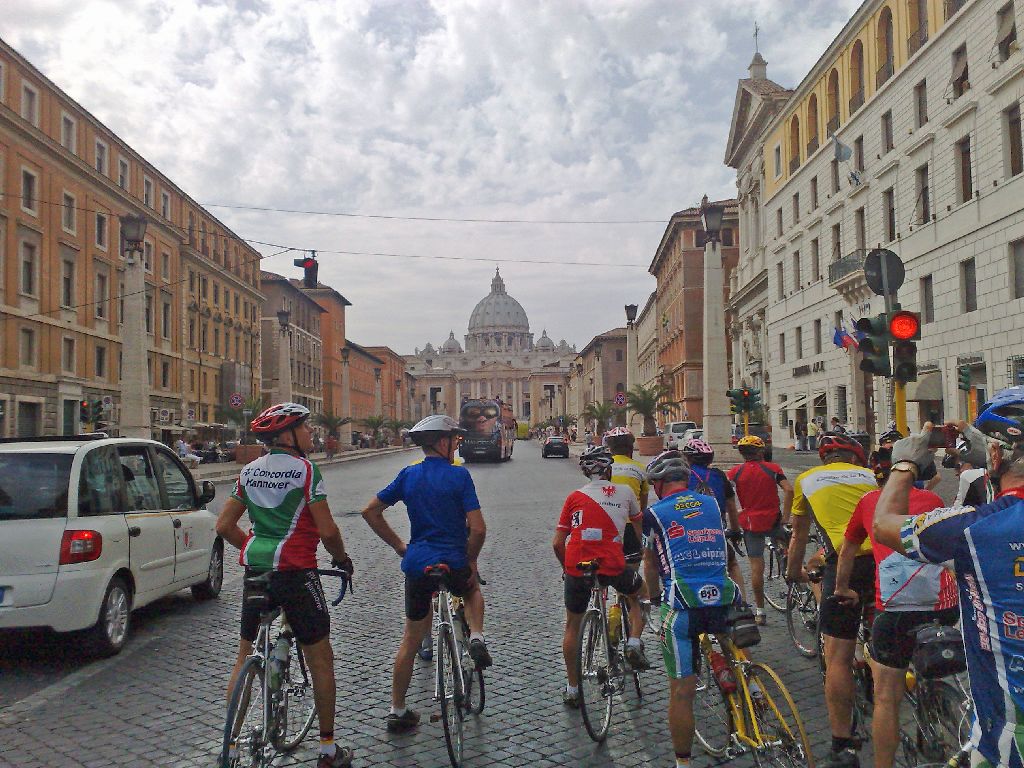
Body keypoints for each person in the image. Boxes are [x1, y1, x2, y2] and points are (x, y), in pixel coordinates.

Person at [874, 390, 1024, 768]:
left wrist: (904, 464)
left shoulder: (973, 529)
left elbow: (884, 524)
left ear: (994, 455)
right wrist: (992, 459)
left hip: (1009, 741)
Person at [215, 402, 355, 768]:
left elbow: (224, 526)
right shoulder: (306, 471)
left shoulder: (248, 472)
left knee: (243, 656)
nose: (311, 433)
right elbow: (328, 531)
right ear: (288, 436)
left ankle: (230, 747)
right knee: (321, 659)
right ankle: (328, 750)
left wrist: (253, 547)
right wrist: (342, 560)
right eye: (305, 428)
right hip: (296, 572)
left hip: (256, 570)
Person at [360, 414, 490, 733]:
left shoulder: (408, 474)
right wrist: (471, 560)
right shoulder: (459, 476)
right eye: (454, 440)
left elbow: (370, 511)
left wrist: (399, 546)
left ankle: (397, 709)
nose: (456, 446)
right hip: (454, 559)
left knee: (410, 638)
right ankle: (476, 636)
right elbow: (478, 529)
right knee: (471, 589)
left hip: (418, 562)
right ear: (442, 442)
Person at [833, 442, 956, 768]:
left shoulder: (868, 502)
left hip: (897, 607)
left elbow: (847, 551)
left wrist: (843, 588)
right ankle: (936, 701)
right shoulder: (932, 500)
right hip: (943, 604)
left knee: (887, 696)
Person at [642, 450, 743, 768]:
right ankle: (751, 686)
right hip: (724, 597)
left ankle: (683, 763)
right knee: (738, 652)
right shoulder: (711, 504)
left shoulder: (654, 513)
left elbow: (650, 563)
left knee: (682, 692)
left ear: (659, 485)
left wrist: (653, 598)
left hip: (683, 606)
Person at [786, 432, 878, 768]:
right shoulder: (870, 476)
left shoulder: (807, 479)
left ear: (823, 459)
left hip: (846, 566)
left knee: (837, 657)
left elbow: (799, 533)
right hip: (885, 560)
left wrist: (792, 572)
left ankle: (842, 744)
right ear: (854, 458)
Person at [553, 446, 649, 707]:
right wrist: (638, 548)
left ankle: (573, 689)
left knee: (572, 625)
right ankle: (633, 642)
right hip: (613, 565)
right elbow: (637, 524)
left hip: (578, 565)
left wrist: (566, 569)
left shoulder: (574, 497)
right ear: (609, 471)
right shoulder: (625, 492)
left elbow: (558, 543)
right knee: (639, 595)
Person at [727, 435, 793, 624]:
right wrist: (786, 517)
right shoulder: (772, 468)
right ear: (761, 451)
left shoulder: (735, 472)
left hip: (751, 523)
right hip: (774, 520)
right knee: (791, 551)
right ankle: (798, 584)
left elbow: (726, 496)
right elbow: (789, 490)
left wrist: (736, 514)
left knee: (756, 568)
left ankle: (760, 612)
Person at [680, 438, 746, 600]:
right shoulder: (719, 476)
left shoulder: (682, 476)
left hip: (688, 532)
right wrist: (735, 530)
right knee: (732, 564)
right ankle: (742, 603)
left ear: (687, 458)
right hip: (716, 531)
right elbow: (731, 506)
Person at [606, 426, 650, 571]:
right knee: (632, 568)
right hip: (631, 525)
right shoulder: (640, 468)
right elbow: (643, 503)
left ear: (610, 448)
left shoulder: (603, 468)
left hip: (606, 524)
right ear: (630, 448)